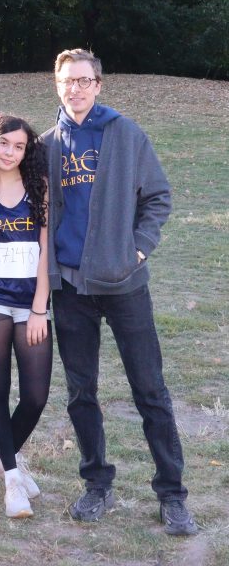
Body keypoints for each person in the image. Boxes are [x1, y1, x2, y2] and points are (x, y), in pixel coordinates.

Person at [42, 48, 197, 535]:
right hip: (69, 287)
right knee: (80, 391)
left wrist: (138, 250)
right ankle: (97, 484)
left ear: (99, 85)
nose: (76, 88)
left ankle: (172, 494)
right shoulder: (45, 145)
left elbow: (158, 196)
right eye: (68, 81)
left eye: (85, 80)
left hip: (124, 284)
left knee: (150, 390)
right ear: (57, 85)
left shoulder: (125, 134)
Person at [0, 116, 51, 519]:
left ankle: (3, 457)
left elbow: (46, 249)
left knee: (36, 394)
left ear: (26, 151)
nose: (10, 152)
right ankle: (12, 480)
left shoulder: (40, 188)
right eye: (4, 143)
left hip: (30, 302)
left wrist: (39, 308)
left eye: (18, 146)